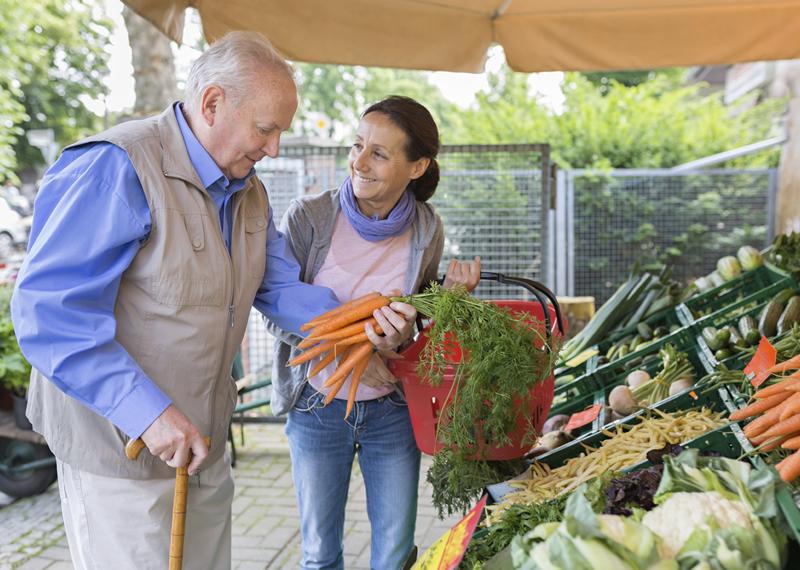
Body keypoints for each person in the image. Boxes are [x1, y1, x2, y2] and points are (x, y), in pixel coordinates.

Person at [9, 31, 357, 570]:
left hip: (203, 447)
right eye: (265, 129)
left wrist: (363, 321)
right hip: (118, 453)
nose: (274, 148)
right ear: (212, 103)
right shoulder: (118, 166)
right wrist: (149, 415)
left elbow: (280, 287)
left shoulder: (250, 190)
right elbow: (50, 316)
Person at [267, 95, 480, 570]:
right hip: (317, 402)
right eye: (358, 145)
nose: (358, 162)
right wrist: (348, 332)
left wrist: (419, 323)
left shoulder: (426, 229)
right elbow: (271, 311)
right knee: (320, 555)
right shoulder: (309, 218)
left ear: (417, 165)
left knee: (394, 555)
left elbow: (417, 327)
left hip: (391, 409)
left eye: (379, 154)